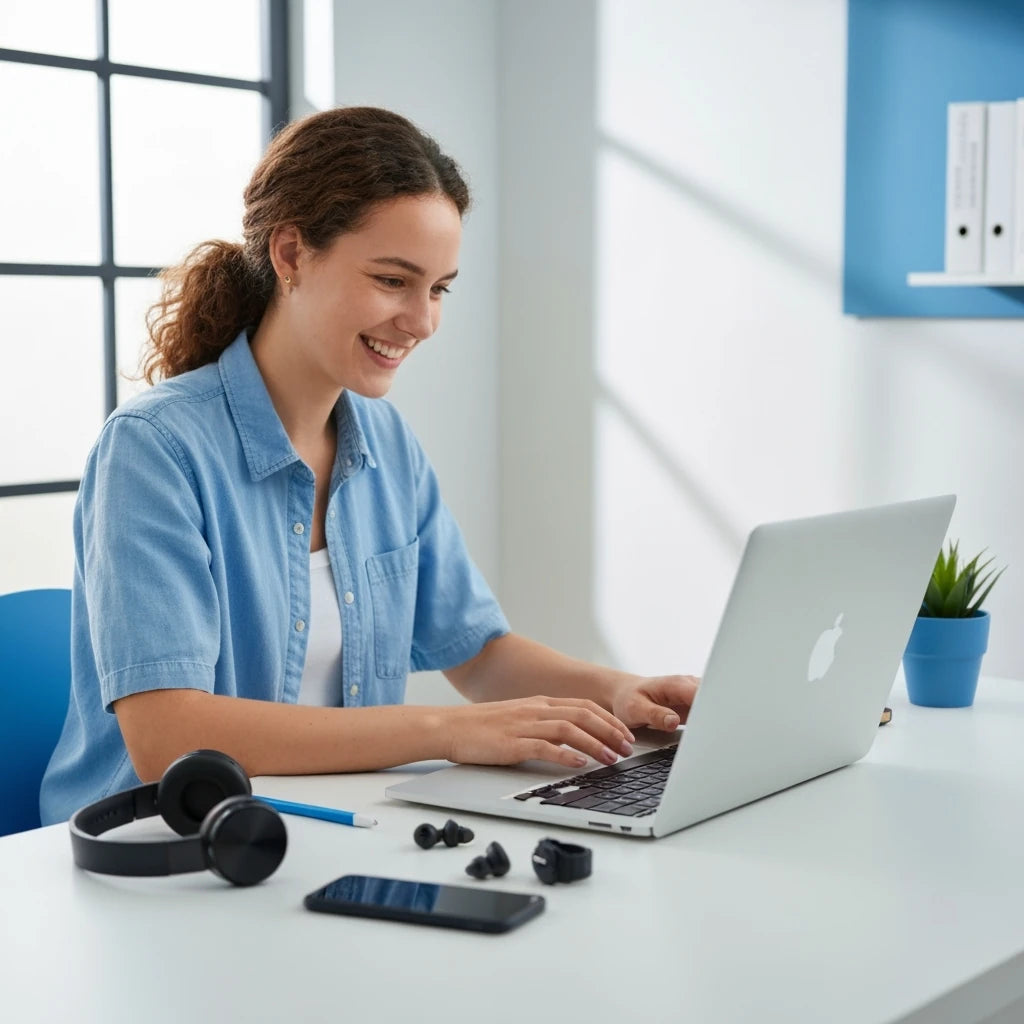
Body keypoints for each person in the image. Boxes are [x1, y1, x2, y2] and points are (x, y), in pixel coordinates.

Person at [39, 106, 698, 825]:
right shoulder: (154, 448)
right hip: (157, 851)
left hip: (321, 832)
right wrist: (446, 732)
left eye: (440, 288)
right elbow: (168, 736)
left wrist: (621, 690)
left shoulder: (385, 444)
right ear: (290, 255)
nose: (422, 321)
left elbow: (480, 655)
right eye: (393, 280)